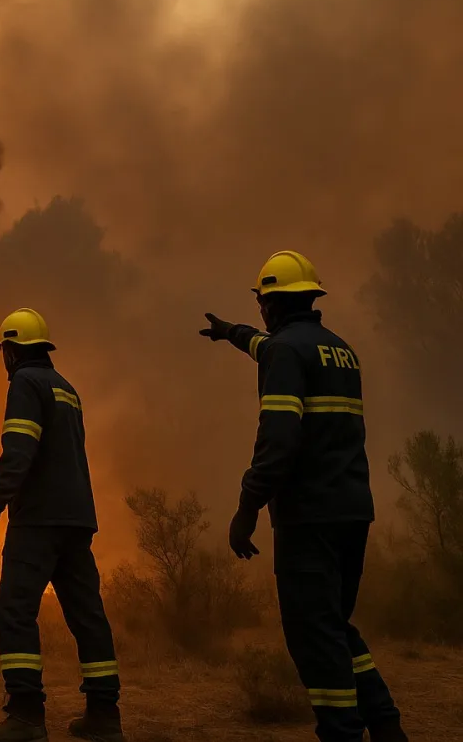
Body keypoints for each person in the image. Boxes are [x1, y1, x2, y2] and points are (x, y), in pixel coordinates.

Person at [201, 250, 408, 742]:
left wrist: (247, 507)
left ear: (271, 305)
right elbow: (266, 346)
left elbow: (279, 440)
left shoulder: (285, 352)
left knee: (313, 636)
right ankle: (385, 724)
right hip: (352, 511)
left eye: (260, 305)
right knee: (334, 625)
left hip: (308, 518)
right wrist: (231, 332)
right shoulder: (338, 350)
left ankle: (341, 731)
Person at [0, 309, 124, 742]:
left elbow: (19, 452)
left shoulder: (26, 383)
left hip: (38, 520)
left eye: (4, 349)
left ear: (13, 350)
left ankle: (25, 714)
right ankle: (104, 714)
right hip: (76, 520)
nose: (3, 358)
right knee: (87, 617)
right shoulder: (66, 388)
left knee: (16, 610)